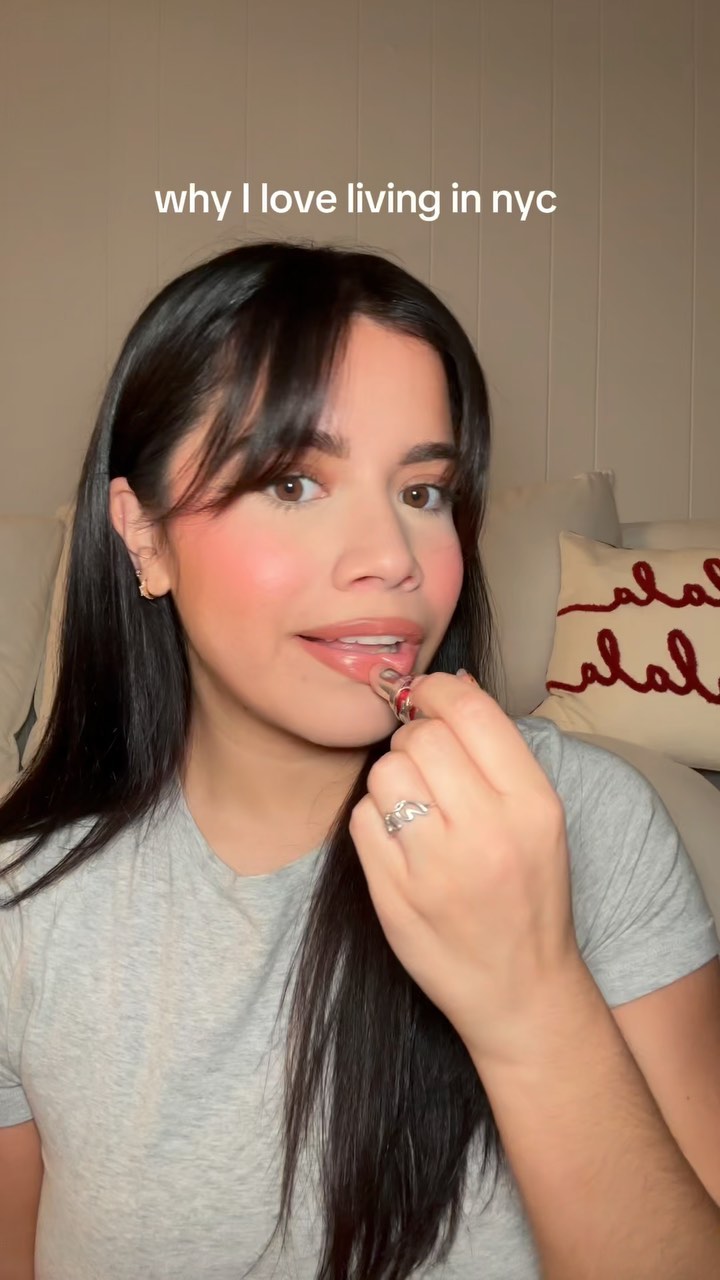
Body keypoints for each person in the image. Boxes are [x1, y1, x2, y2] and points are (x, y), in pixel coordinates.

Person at [0, 240, 719, 1280]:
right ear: (143, 535)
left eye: (425, 492)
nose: (393, 557)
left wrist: (531, 997)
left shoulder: (588, 816)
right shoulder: (24, 907)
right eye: (294, 482)